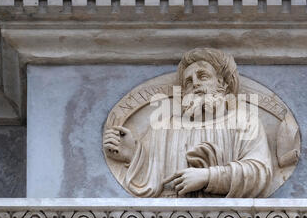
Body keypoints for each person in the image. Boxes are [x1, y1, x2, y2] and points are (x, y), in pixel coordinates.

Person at [103, 48, 273, 198]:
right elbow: (149, 169)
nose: (196, 84)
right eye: (189, 81)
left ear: (223, 84)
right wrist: (132, 153)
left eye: (203, 76)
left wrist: (208, 177)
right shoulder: (165, 128)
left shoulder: (245, 122)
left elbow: (260, 173)